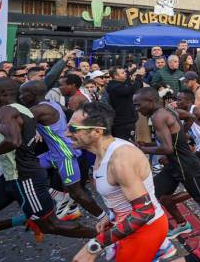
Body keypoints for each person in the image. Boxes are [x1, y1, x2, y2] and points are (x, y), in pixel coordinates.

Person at [0, 78, 96, 239]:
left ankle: (105, 235)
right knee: (46, 222)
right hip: (11, 177)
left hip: (24, 178)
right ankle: (25, 219)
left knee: (51, 225)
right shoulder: (23, 109)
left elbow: (13, 141)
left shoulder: (6, 111)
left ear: (4, 93)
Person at [67, 102, 171, 262]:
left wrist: (94, 246)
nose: (67, 134)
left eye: (73, 129)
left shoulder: (120, 159)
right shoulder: (102, 153)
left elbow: (144, 212)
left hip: (145, 229)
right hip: (129, 227)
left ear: (96, 131)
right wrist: (111, 215)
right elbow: (120, 195)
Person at [133, 87, 200, 239]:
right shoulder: (168, 111)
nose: (137, 109)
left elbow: (168, 148)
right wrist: (181, 135)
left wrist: (143, 149)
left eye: (138, 105)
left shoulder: (158, 117)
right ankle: (182, 225)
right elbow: (189, 117)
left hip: (185, 166)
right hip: (174, 165)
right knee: (157, 196)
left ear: (149, 101)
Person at [19, 81, 104, 220]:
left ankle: (105, 218)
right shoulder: (52, 103)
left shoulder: (39, 110)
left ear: (32, 94)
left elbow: (17, 121)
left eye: (22, 94)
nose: (20, 97)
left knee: (76, 193)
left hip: (65, 154)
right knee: (22, 171)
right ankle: (60, 198)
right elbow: (68, 113)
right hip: (53, 154)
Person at [106, 67, 144, 141]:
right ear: (115, 76)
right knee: (126, 144)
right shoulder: (115, 87)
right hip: (122, 123)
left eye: (125, 72)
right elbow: (133, 89)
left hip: (127, 122)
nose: (125, 74)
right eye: (122, 73)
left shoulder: (121, 84)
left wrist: (131, 72)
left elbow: (134, 86)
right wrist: (138, 76)